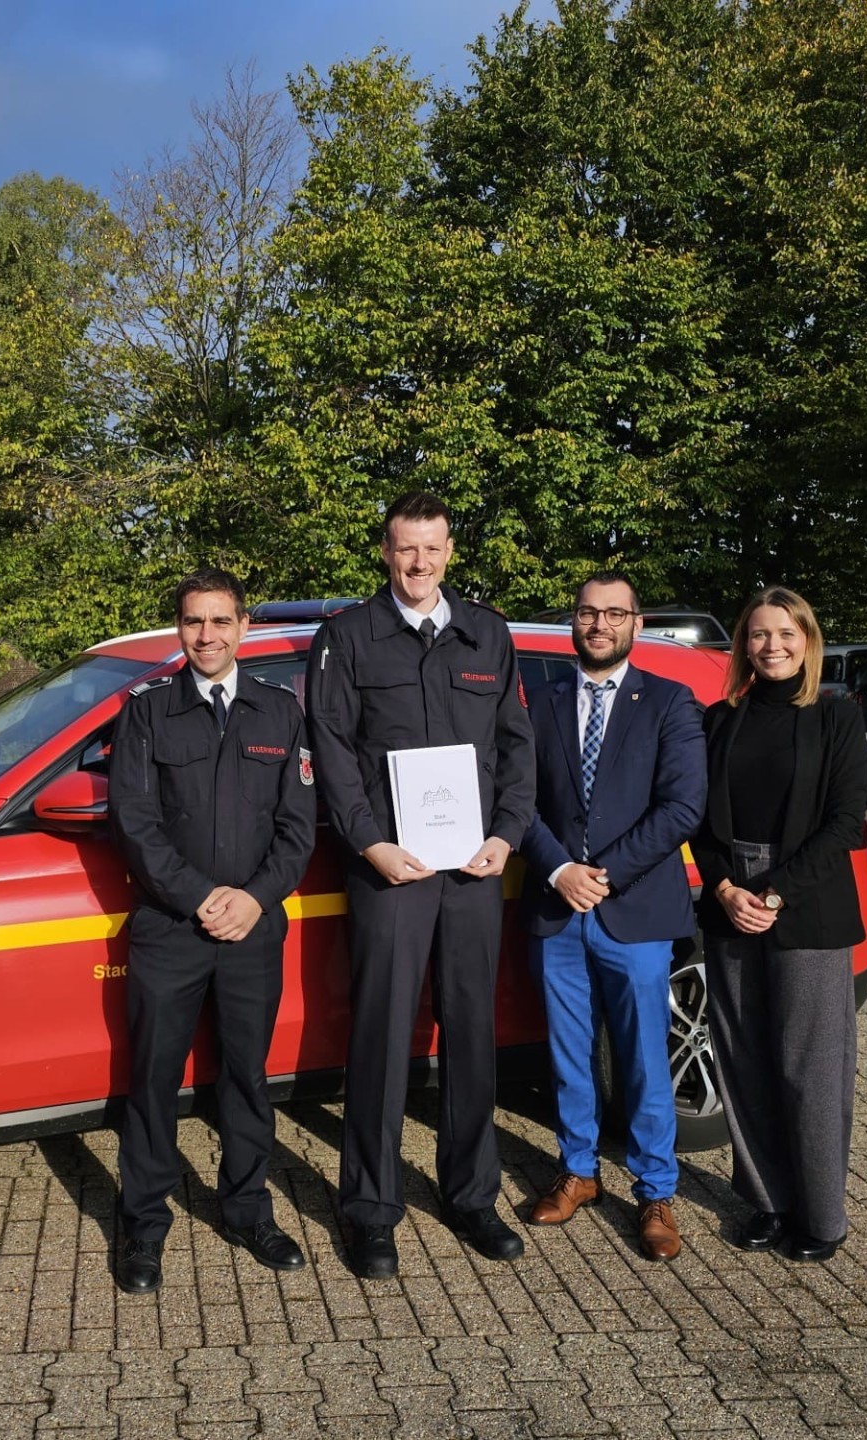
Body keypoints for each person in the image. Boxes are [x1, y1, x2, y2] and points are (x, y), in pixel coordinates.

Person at [307, 491, 537, 1279]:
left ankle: (472, 1196)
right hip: (390, 873)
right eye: (406, 548)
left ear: (450, 552)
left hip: (473, 871)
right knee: (380, 1038)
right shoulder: (346, 638)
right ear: (385, 550)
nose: (418, 563)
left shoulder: (488, 633)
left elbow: (516, 748)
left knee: (472, 1035)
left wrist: (507, 835)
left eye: (432, 549)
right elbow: (332, 751)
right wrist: (370, 843)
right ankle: (369, 1209)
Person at [107, 567, 317, 1293]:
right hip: (170, 927)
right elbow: (135, 824)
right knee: (153, 1080)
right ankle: (142, 1223)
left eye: (221, 621)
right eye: (195, 623)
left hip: (253, 932)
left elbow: (296, 830)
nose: (207, 636)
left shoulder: (280, 713)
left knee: (246, 1079)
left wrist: (254, 900)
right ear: (180, 629)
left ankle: (248, 1207)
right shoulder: (147, 712)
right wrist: (201, 897)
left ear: (243, 627)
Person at [517, 574, 705, 1259]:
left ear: (636, 622)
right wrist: (560, 869)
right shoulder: (539, 702)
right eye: (589, 612)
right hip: (557, 905)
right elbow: (518, 803)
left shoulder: (669, 702)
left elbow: (682, 807)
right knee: (568, 1057)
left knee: (643, 1061)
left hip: (634, 910)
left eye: (614, 614)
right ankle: (578, 1172)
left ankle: (655, 1192)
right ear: (575, 620)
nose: (600, 624)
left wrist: (606, 873)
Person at [693, 585, 867, 1263]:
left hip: (806, 908)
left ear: (808, 641)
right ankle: (766, 1202)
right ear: (744, 646)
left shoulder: (835, 718)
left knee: (810, 1067)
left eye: (785, 634)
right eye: (759, 635)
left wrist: (772, 894)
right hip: (732, 906)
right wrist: (726, 887)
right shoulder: (720, 720)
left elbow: (844, 824)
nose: (772, 646)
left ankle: (821, 1217)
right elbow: (699, 821)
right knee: (744, 1062)